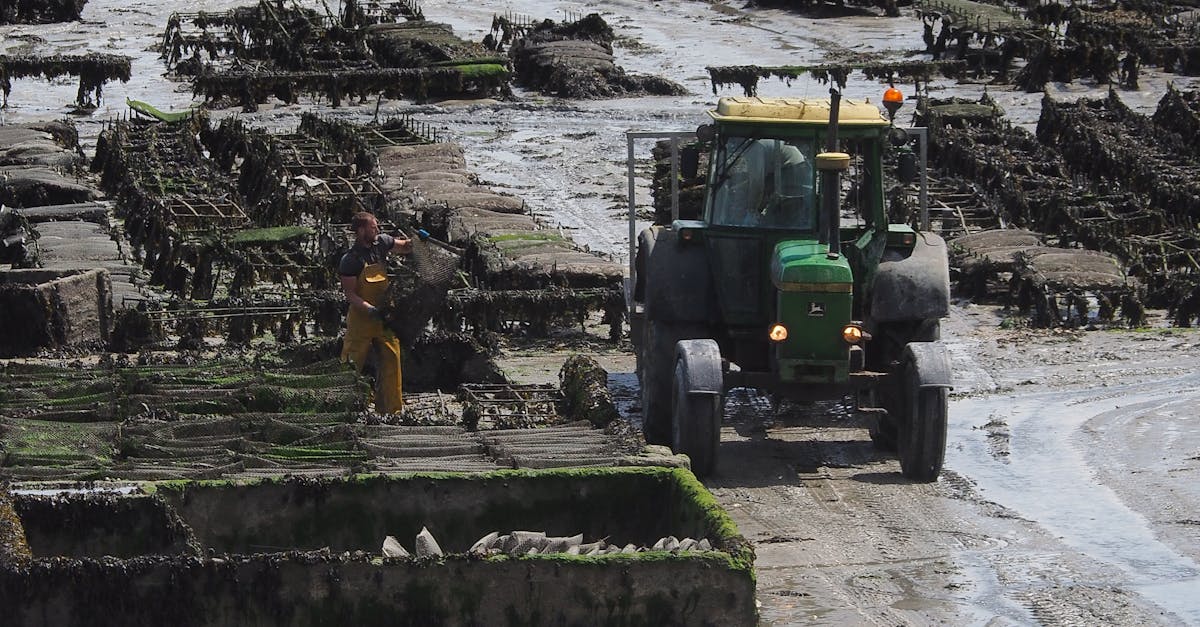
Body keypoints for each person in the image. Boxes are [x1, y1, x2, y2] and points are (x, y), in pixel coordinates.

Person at [339, 211, 414, 413]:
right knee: (351, 362)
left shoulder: (381, 243)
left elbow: (404, 247)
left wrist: (417, 241)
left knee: (392, 359)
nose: (377, 230)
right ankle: (343, 406)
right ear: (361, 231)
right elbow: (350, 295)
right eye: (373, 227)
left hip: (384, 318)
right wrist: (370, 309)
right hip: (362, 319)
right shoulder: (350, 260)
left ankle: (391, 410)